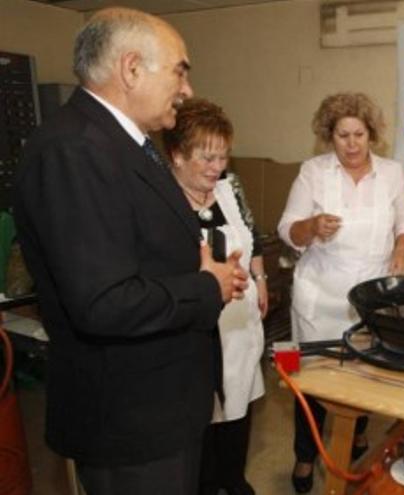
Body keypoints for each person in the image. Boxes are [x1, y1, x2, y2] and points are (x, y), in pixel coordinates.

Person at [13, 8, 248, 495]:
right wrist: (207, 286)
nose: (187, 88)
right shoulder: (75, 150)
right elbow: (104, 302)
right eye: (180, 69)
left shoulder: (127, 144)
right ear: (132, 68)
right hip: (128, 421)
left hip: (162, 408)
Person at [277, 92, 404, 493]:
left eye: (359, 134)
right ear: (329, 136)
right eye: (342, 135)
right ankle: (306, 455)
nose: (352, 144)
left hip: (369, 298)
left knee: (363, 375)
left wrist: (401, 250)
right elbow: (287, 227)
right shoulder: (313, 172)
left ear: (371, 134)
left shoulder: (391, 173)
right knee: (312, 381)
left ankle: (354, 433)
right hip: (320, 296)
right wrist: (312, 226)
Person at [163, 98, 267, 495]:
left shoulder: (229, 188)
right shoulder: (163, 203)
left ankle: (233, 479)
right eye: (206, 158)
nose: (216, 168)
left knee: (239, 404)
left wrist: (260, 278)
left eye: (222, 157)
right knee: (204, 414)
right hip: (197, 327)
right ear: (176, 154)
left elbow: (251, 234)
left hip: (238, 322)